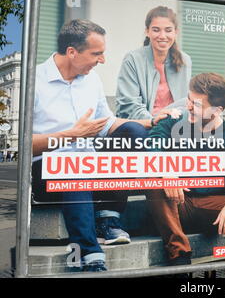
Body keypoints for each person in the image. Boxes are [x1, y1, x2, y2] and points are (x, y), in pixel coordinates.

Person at [32, 19, 169, 272]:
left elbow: (107, 124)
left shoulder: (91, 80)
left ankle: (109, 216)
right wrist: (72, 135)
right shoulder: (35, 81)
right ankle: (90, 254)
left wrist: (148, 122)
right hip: (47, 169)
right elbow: (24, 146)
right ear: (72, 52)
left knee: (133, 131)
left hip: (86, 164)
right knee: (73, 166)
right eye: (97, 53)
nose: (102, 60)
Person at [147, 73, 225, 266]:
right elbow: (151, 143)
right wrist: (166, 170)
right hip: (178, 203)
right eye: (189, 99)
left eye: (196, 104)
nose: (189, 106)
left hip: (214, 207)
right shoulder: (175, 119)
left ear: (217, 110)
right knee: (154, 179)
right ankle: (179, 255)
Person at [115, 6, 192, 121]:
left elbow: (186, 102)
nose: (162, 36)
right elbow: (129, 104)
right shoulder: (133, 59)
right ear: (147, 31)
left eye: (168, 30)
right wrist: (152, 121)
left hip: (174, 123)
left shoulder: (185, 60)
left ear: (176, 32)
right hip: (142, 123)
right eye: (156, 30)